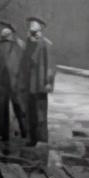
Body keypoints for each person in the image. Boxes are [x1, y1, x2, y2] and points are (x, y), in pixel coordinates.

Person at [20, 17, 56, 146]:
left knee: (40, 113)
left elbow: (50, 66)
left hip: (39, 84)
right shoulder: (27, 43)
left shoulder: (46, 44)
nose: (31, 28)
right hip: (28, 84)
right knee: (29, 112)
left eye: (34, 26)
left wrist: (48, 82)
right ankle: (32, 138)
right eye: (30, 26)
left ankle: (41, 139)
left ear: (40, 29)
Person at [0, 21, 26, 145]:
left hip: (16, 82)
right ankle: (3, 134)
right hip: (2, 83)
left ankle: (25, 131)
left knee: (19, 107)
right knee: (2, 108)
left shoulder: (19, 46)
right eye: (3, 29)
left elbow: (24, 65)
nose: (3, 31)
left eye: (6, 29)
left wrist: (22, 82)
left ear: (11, 33)